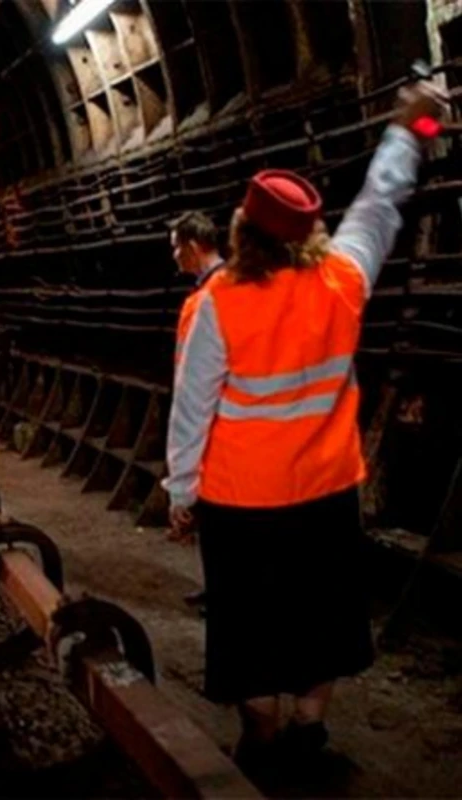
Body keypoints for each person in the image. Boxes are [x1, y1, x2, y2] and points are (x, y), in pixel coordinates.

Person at [163, 81, 446, 776]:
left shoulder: (216, 305)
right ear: (311, 232)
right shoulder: (343, 281)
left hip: (239, 500)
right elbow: (381, 205)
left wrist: (180, 491)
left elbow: (192, 408)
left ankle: (261, 737)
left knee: (249, 622)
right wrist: (415, 128)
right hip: (324, 492)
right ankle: (309, 730)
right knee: (323, 615)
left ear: (241, 230)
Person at [168, 211, 225, 616]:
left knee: (221, 518)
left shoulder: (218, 294)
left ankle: (227, 595)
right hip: (210, 419)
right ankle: (216, 587)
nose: (173, 256)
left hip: (218, 425)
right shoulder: (207, 291)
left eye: (175, 247)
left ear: (191, 246)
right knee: (211, 521)